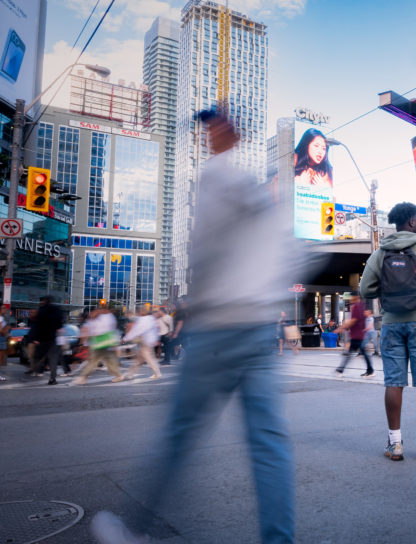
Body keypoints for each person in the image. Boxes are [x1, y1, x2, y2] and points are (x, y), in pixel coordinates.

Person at [91, 109, 312, 544]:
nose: (209, 135)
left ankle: (133, 529)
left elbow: (204, 251)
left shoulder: (215, 178)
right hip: (258, 325)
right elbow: (294, 254)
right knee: (268, 443)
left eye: (211, 127)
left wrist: (200, 299)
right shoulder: (264, 197)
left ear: (221, 134)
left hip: (220, 326)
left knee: (180, 433)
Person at [360, 202, 416, 461]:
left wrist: (387, 290)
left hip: (391, 323)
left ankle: (395, 444)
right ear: (411, 222)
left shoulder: (380, 254)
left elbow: (365, 290)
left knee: (394, 383)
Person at [72, 307, 124, 385]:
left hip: (102, 343)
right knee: (108, 361)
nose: (91, 314)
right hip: (102, 343)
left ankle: (83, 378)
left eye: (94, 312)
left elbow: (101, 331)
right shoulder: (103, 318)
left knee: (93, 362)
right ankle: (118, 375)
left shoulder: (106, 318)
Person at [335, 292, 375, 378]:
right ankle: (370, 370)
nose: (350, 299)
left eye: (351, 297)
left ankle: (341, 369)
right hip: (359, 334)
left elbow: (353, 320)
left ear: (355, 297)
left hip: (357, 335)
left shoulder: (356, 306)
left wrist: (342, 328)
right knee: (360, 353)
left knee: (352, 353)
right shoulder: (361, 306)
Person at [30, 295, 64, 385]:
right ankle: (52, 379)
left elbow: (37, 325)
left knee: (37, 356)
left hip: (42, 339)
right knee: (53, 359)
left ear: (44, 301)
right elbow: (60, 324)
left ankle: (36, 370)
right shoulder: (56, 309)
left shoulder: (41, 310)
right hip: (52, 338)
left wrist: (35, 338)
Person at [122, 305, 162, 380]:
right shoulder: (151, 318)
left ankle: (157, 373)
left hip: (146, 342)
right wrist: (156, 339)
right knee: (139, 360)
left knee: (148, 359)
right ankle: (130, 373)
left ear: (141, 312)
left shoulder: (143, 320)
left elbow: (137, 330)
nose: (138, 313)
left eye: (138, 312)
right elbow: (156, 329)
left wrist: (126, 338)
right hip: (150, 341)